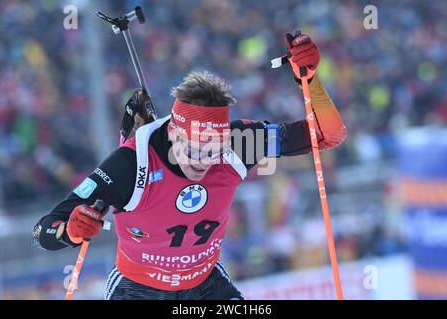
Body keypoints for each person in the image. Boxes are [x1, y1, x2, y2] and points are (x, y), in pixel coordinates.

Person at [32, 33, 346, 300]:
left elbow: (327, 135)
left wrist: (309, 79)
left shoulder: (239, 143)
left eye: (214, 151)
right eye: (194, 149)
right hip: (138, 289)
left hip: (205, 285)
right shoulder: (132, 163)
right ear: (173, 131)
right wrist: (70, 231)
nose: (203, 161)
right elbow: (43, 230)